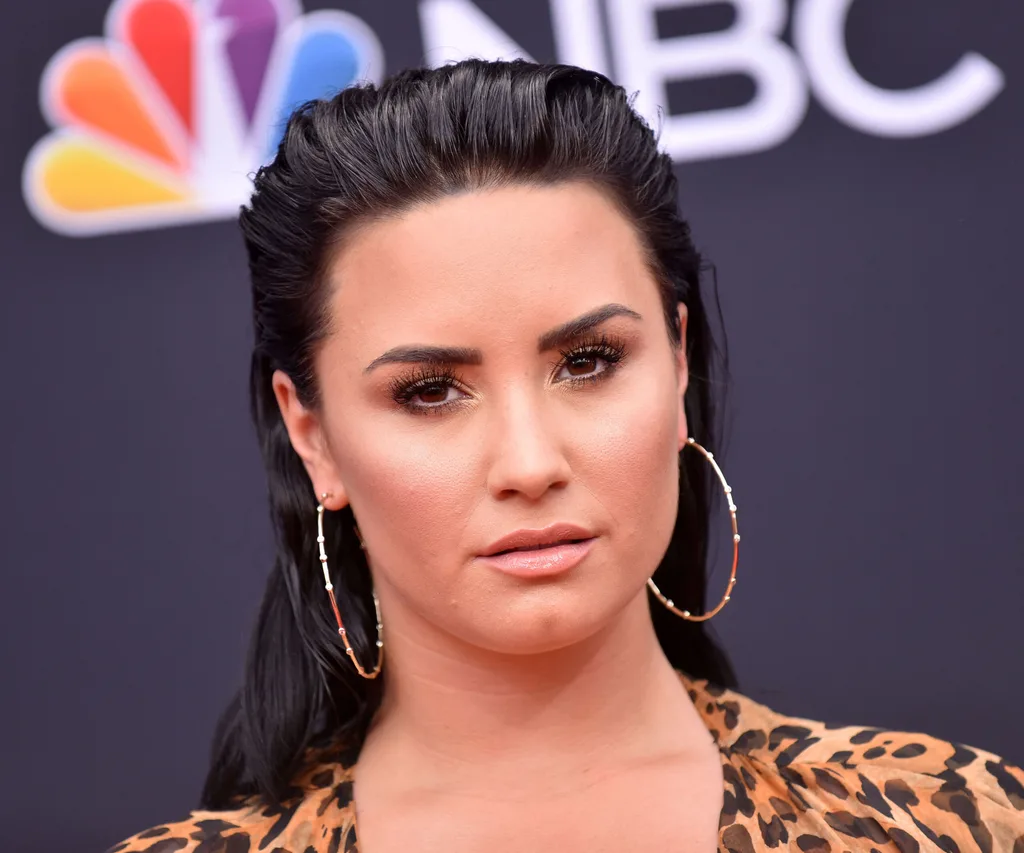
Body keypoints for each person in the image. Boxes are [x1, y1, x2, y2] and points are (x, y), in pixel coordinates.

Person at [108, 58, 1024, 853]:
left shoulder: (946, 821)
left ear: (678, 364)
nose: (530, 461)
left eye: (588, 362)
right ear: (313, 435)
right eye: (429, 390)